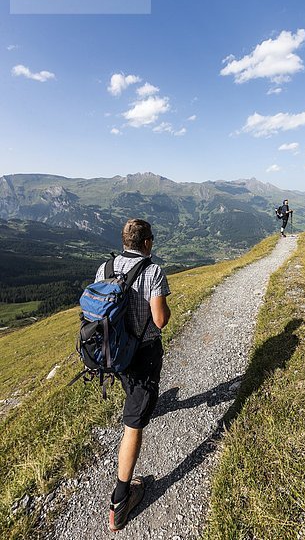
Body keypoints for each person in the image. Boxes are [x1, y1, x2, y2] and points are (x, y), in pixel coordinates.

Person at [94, 218, 171, 532]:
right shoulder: (153, 272)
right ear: (148, 243)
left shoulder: (105, 268)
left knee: (135, 396)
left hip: (114, 354)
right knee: (133, 425)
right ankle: (120, 499)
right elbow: (161, 320)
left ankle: (142, 404)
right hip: (143, 355)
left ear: (124, 241)